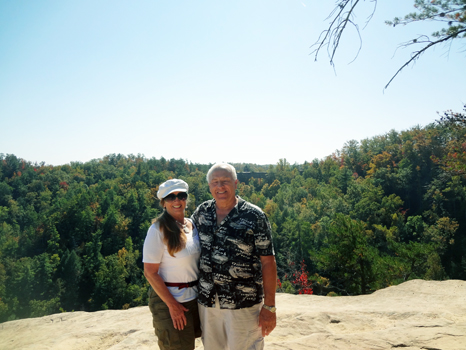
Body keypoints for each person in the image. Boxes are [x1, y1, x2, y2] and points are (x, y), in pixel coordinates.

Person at [191, 163, 277, 350]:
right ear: (209, 186)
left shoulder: (255, 216)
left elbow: (268, 262)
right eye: (215, 182)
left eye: (225, 181)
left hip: (244, 305)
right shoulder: (202, 213)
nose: (220, 186)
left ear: (236, 183)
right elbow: (183, 238)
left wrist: (269, 307)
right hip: (208, 303)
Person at [143, 179, 202, 350]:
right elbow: (150, 272)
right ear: (163, 202)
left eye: (181, 196)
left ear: (186, 198)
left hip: (193, 298)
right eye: (171, 197)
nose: (177, 201)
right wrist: (173, 305)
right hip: (170, 300)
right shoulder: (157, 230)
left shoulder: (192, 225)